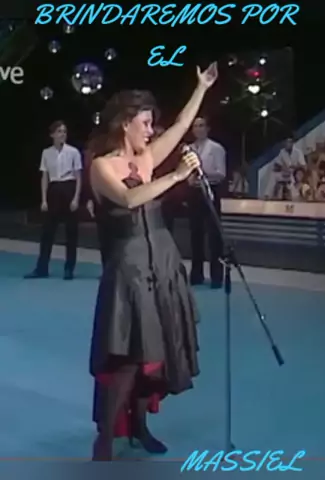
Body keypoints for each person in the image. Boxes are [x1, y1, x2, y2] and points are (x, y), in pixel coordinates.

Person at [87, 63, 218, 461]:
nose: (150, 130)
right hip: (128, 266)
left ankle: (141, 426)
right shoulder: (101, 166)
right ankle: (106, 438)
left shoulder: (146, 158)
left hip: (162, 260)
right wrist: (175, 176)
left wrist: (201, 88)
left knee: (155, 357)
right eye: (144, 123)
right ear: (125, 123)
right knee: (128, 358)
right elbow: (130, 199)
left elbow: (180, 126)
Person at [25, 121, 82, 280]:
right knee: (47, 232)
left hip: (69, 187)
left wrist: (76, 198)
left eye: (64, 131)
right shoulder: (46, 153)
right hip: (54, 188)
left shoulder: (73, 152)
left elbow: (78, 177)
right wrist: (44, 199)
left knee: (71, 232)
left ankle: (69, 268)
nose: (62, 134)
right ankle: (42, 267)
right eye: (59, 131)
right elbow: (45, 177)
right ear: (52, 135)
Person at [188, 116, 226, 288]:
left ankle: (217, 276)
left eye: (201, 125)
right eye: (195, 126)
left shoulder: (216, 148)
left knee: (214, 236)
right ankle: (196, 274)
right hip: (195, 193)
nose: (198, 129)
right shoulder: (189, 149)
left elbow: (221, 173)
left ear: (208, 128)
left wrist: (204, 173)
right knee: (195, 234)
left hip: (212, 191)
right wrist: (190, 178)